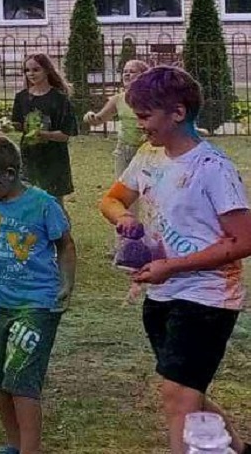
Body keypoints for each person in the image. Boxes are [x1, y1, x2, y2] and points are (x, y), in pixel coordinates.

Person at [99, 66, 251, 454]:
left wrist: (173, 266)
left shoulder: (213, 168)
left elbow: (244, 239)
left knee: (178, 396)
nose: (139, 124)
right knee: (186, 391)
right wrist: (123, 217)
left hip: (207, 297)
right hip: (161, 294)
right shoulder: (147, 155)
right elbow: (111, 199)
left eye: (145, 115)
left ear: (178, 113)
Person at [0, 134, 76, 454]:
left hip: (37, 303)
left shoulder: (43, 204)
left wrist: (67, 283)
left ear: (10, 174)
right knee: (1, 378)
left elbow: (65, 244)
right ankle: (13, 443)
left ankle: (30, 449)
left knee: (21, 378)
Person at [10, 53, 76, 202]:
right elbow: (18, 125)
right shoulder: (21, 97)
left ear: (46, 70)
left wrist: (45, 135)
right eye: (27, 70)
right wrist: (9, 126)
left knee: (54, 203)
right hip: (29, 158)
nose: (31, 74)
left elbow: (65, 134)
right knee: (29, 201)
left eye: (36, 69)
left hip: (54, 159)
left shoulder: (60, 99)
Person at [86, 58, 150, 179]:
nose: (127, 74)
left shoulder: (153, 99)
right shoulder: (118, 99)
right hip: (123, 150)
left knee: (146, 186)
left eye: (132, 71)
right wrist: (90, 117)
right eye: (125, 71)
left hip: (147, 150)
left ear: (143, 76)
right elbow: (99, 119)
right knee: (122, 186)